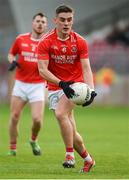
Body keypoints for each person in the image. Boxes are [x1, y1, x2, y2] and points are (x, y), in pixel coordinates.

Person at [37, 5, 97, 172]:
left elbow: (86, 68)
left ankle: (69, 156)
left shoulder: (80, 42)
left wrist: (91, 90)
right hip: (56, 86)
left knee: (60, 113)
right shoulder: (46, 42)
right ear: (55, 20)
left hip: (75, 86)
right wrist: (61, 83)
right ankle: (88, 159)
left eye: (69, 19)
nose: (66, 23)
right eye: (62, 20)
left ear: (73, 20)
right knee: (71, 130)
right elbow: (42, 70)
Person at [8, 12, 47, 156]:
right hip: (21, 84)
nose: (40, 24)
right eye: (38, 21)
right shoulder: (21, 39)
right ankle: (13, 148)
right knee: (14, 116)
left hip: (37, 85)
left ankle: (33, 140)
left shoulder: (47, 42)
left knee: (37, 120)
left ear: (46, 25)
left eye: (43, 22)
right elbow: (11, 53)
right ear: (32, 23)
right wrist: (12, 60)